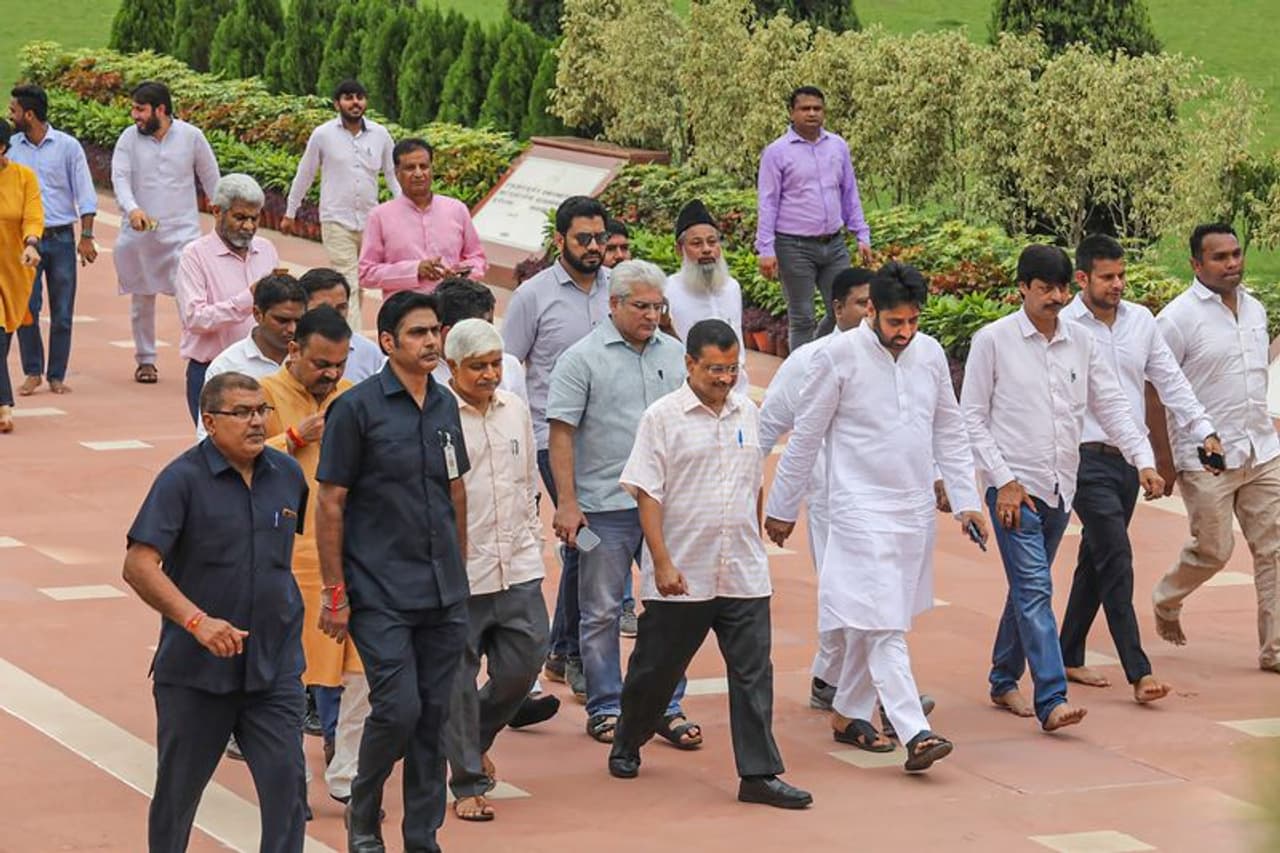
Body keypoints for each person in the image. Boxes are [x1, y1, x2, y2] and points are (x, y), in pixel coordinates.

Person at [765, 264, 984, 772]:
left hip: (912, 511)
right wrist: (782, 506)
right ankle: (915, 731)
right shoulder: (836, 357)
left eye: (913, 321)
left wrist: (966, 499)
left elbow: (949, 429)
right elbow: (806, 436)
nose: (905, 332)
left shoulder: (929, 353)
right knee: (884, 624)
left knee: (881, 616)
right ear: (870, 311)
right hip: (857, 509)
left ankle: (847, 711)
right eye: (895, 322)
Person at [961, 245, 1164, 733]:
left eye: (1061, 288)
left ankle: (1002, 678)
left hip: (1059, 487)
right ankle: (1051, 697)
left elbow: (1112, 404)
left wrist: (1143, 460)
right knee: (1036, 589)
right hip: (1013, 491)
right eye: (1044, 289)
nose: (1055, 297)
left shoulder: (1080, 342)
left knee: (1026, 587)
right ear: (1022, 289)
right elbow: (971, 418)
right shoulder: (993, 341)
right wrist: (1003, 481)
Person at [610, 318, 811, 807]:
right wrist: (660, 563)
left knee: (753, 673)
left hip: (742, 571)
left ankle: (759, 774)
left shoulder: (747, 411)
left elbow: (752, 482)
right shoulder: (662, 418)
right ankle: (629, 737)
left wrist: (756, 542)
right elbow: (647, 494)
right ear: (689, 364)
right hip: (684, 572)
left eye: (732, 368)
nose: (724, 378)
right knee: (657, 669)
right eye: (714, 369)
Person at [122, 372, 309, 853]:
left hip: (274, 669)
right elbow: (138, 565)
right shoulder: (180, 481)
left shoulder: (287, 475)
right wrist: (196, 622)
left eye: (261, 410)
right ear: (209, 421)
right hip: (197, 674)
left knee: (288, 791)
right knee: (178, 796)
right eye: (241, 412)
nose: (256, 421)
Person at [315, 291, 470, 853]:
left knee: (433, 717)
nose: (431, 341)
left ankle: (422, 836)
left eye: (435, 331)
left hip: (442, 592)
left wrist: (459, 570)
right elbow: (330, 501)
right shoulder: (356, 409)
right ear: (387, 342)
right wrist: (335, 593)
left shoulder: (445, 403)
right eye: (417, 333)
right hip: (379, 590)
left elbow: (455, 490)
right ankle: (364, 807)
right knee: (399, 708)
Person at [1058, 235, 1222, 703]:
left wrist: (1203, 430)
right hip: (1083, 459)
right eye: (1107, 277)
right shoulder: (1064, 327)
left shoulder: (1141, 322)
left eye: (1122, 275)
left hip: (1131, 462)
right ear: (1082, 278)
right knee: (1116, 557)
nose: (1117, 285)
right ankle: (1139, 670)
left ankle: (1068, 653)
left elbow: (1171, 382)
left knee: (1096, 558)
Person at [545, 259, 693, 745]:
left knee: (671, 607)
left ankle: (665, 704)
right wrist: (567, 502)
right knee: (602, 611)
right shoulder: (581, 358)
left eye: (658, 306)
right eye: (642, 306)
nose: (652, 315)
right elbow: (561, 433)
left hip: (665, 506)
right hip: (603, 507)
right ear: (614, 303)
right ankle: (606, 705)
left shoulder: (676, 354)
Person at [1147, 223, 1280, 673]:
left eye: (1236, 254)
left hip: (1261, 449)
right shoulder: (1177, 319)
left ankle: (1275, 650)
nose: (1232, 264)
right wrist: (1163, 460)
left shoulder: (1255, 309)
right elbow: (1153, 387)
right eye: (1220, 257)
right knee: (1214, 550)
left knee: (1274, 549)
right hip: (1206, 458)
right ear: (1196, 264)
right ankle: (1167, 598)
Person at [503, 195, 612, 700]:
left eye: (600, 238)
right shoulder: (533, 296)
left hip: (611, 441)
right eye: (583, 239)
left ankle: (562, 649)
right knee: (589, 540)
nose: (594, 248)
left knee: (584, 546)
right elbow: (508, 369)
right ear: (560, 240)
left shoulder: (619, 291)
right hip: (554, 439)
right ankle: (580, 657)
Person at [441, 319, 550, 822]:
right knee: (458, 681)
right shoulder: (437, 416)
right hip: (462, 573)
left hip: (519, 565)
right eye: (477, 366)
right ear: (452, 367)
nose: (489, 375)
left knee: (523, 666)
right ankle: (466, 781)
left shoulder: (515, 410)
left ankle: (475, 737)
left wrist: (532, 538)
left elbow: (527, 481)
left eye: (494, 364)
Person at [258, 305, 365, 805]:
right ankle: (292, 779)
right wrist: (296, 436)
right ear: (294, 350)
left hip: (350, 556)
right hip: (290, 557)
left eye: (339, 364)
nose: (331, 374)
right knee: (291, 676)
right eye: (321, 363)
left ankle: (348, 773)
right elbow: (240, 455)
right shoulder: (262, 394)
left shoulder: (353, 397)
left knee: (362, 671)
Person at [758, 267, 871, 711]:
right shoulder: (811, 360)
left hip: (885, 499)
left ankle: (838, 679)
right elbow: (768, 428)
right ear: (837, 308)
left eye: (875, 303)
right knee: (847, 592)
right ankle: (858, 685)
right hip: (832, 500)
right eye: (861, 303)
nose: (870, 312)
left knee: (878, 594)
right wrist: (761, 501)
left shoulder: (899, 358)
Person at [111, 80, 220, 386]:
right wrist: (132, 209)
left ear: (160, 109)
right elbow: (120, 178)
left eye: (141, 109)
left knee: (190, 297)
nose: (135, 115)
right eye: (134, 109)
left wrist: (222, 213)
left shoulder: (191, 136)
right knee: (142, 298)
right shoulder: (129, 139)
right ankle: (145, 360)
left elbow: (211, 177)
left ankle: (198, 359)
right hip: (141, 231)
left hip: (182, 232)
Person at [755, 85, 873, 350]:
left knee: (843, 310)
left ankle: (818, 356)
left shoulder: (837, 146)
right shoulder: (777, 152)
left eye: (817, 108)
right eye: (804, 109)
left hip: (834, 244)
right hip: (793, 246)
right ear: (791, 112)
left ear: (824, 112)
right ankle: (802, 371)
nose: (811, 114)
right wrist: (766, 249)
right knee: (802, 317)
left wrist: (862, 234)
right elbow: (768, 201)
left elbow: (849, 192)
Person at [282, 78, 400, 335]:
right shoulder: (323, 135)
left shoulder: (380, 134)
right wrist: (291, 211)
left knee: (360, 283)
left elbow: (392, 173)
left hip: (370, 222)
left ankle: (349, 333)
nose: (355, 103)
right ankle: (352, 342)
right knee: (348, 281)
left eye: (359, 97)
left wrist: (404, 208)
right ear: (337, 104)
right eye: (348, 98)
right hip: (336, 220)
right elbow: (305, 173)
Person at [8, 83, 97, 396]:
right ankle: (33, 371)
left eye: (14, 110)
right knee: (26, 308)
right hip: (24, 242)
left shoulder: (68, 147)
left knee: (62, 312)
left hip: (60, 238)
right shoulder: (11, 148)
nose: (10, 114)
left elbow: (85, 193)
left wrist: (86, 236)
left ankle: (56, 374)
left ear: (29, 115)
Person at [174, 173, 280, 423]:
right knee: (216, 444)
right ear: (217, 211)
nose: (249, 226)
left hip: (264, 370)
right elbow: (195, 318)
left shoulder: (266, 250)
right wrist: (248, 298)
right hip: (214, 373)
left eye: (255, 218)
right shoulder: (194, 256)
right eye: (240, 217)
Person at [357, 138, 486, 296]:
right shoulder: (379, 216)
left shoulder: (456, 209)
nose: (418, 174)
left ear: (432, 169)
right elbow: (366, 273)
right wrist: (414, 270)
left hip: (452, 302)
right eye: (410, 168)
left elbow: (477, 258)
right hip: (404, 306)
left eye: (423, 166)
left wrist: (461, 275)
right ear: (397, 173)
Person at [195, 275, 308, 441]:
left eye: (298, 321)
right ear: (257, 314)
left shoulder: (312, 361)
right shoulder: (226, 366)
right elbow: (209, 437)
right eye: (282, 320)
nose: (292, 329)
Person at [665, 199, 746, 390]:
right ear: (679, 250)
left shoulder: (732, 287)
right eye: (696, 243)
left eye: (712, 242)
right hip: (686, 389)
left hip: (734, 389)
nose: (707, 250)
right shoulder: (667, 290)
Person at [0, 118, 43, 434]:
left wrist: (31, 243)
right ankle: (4, 406)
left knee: (3, 339)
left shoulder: (24, 178)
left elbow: (33, 215)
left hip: (14, 270)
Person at [432, 277, 527, 402]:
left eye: (490, 325)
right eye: (480, 330)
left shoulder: (510, 366)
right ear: (448, 333)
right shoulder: (424, 378)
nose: (490, 375)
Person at [297, 267, 386, 383]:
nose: (333, 314)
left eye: (341, 307)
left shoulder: (369, 353)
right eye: (324, 308)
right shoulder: (286, 349)